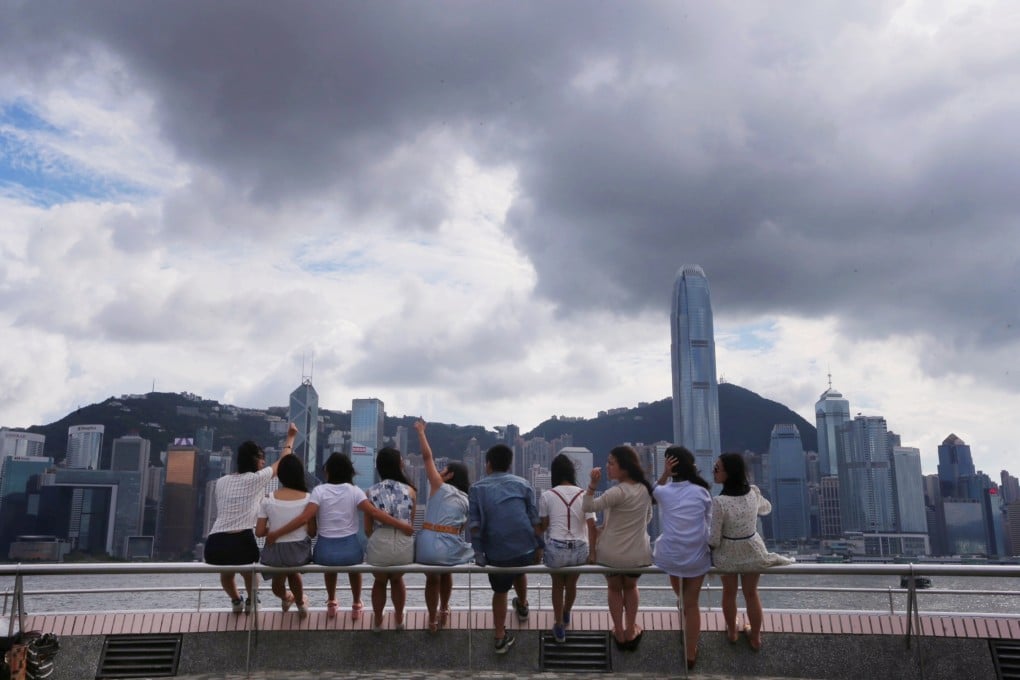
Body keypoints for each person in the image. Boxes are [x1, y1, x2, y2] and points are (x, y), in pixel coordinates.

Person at [265, 452, 413, 619]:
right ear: (349, 471)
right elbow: (373, 512)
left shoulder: (319, 491)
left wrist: (276, 533)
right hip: (350, 552)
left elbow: (304, 518)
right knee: (355, 566)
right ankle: (357, 604)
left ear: (327, 471)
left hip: (324, 553)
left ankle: (331, 602)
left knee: (330, 567)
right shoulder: (355, 491)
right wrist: (401, 525)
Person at [205, 422, 298, 613]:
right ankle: (252, 600)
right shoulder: (255, 479)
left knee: (226, 573)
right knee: (250, 572)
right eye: (261, 459)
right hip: (241, 540)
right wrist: (290, 437)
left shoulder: (221, 482)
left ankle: (236, 601)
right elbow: (283, 462)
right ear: (254, 460)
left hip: (214, 543)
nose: (263, 462)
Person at [710, 452, 794, 651]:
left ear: (728, 473)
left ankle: (732, 632)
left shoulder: (719, 502)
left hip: (727, 553)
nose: (713, 471)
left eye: (717, 468)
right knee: (751, 593)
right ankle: (755, 637)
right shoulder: (753, 492)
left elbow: (714, 538)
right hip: (752, 549)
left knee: (729, 593)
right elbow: (766, 509)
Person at [469, 443, 543, 655]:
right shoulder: (524, 484)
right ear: (510, 464)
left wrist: (479, 553)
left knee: (500, 591)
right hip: (525, 549)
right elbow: (534, 519)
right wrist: (540, 547)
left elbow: (474, 526)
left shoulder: (477, 488)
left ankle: (500, 637)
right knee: (519, 568)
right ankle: (522, 605)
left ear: (488, 465)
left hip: (497, 554)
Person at [582, 445, 653, 651]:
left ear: (624, 467)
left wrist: (592, 485)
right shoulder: (645, 490)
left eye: (611, 463)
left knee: (614, 589)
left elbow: (588, 507)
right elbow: (647, 518)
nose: (607, 467)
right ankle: (631, 629)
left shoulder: (617, 491)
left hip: (610, 554)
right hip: (636, 554)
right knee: (631, 588)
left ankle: (619, 631)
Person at [653, 446, 712, 670]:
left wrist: (665, 474)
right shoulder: (702, 492)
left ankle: (682, 606)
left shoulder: (663, 492)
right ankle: (690, 654)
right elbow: (709, 524)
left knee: (682, 597)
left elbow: (652, 490)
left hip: (671, 556)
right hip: (697, 556)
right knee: (692, 604)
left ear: (670, 466)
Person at [412, 420, 474, 634]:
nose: (439, 472)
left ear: (450, 476)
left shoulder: (438, 486)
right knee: (447, 572)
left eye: (443, 470)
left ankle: (431, 618)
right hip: (449, 547)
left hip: (427, 546)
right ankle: (445, 609)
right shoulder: (467, 499)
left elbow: (427, 457)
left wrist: (421, 432)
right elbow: (463, 527)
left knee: (432, 578)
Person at [538, 453, 596, 644]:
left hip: (556, 548)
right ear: (572, 473)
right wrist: (593, 552)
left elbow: (544, 526)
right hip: (580, 548)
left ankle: (558, 625)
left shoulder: (547, 495)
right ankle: (566, 613)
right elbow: (591, 526)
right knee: (571, 584)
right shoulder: (584, 495)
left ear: (554, 474)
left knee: (557, 585)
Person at [255, 455, 315, 618]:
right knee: (293, 572)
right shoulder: (309, 499)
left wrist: (274, 531)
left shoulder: (267, 499)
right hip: (298, 553)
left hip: (275, 553)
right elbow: (312, 532)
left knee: (278, 582)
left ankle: (287, 597)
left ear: (280, 475)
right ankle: (301, 603)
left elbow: (259, 532)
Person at [364, 447, 417, 631]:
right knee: (397, 580)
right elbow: (410, 522)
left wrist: (378, 537)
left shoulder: (370, 492)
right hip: (403, 544)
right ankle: (400, 618)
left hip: (380, 540)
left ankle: (378, 620)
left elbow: (367, 529)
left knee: (379, 582)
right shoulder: (411, 491)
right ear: (399, 464)